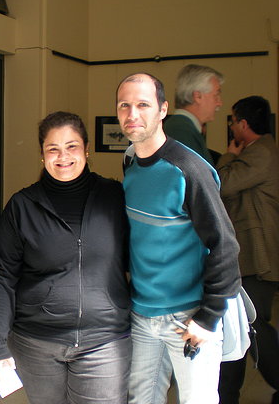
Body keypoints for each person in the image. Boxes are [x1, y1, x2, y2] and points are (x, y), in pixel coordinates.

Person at [0, 111, 131, 404]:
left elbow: (141, 259)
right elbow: (4, 278)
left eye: (72, 146)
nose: (63, 156)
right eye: (53, 149)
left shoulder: (115, 197)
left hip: (104, 341)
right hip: (37, 343)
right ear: (42, 155)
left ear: (86, 149)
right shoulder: (22, 206)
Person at [116, 72, 240, 404]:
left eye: (143, 105)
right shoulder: (130, 161)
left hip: (189, 316)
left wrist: (208, 317)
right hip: (142, 316)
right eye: (124, 106)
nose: (132, 115)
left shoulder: (189, 169)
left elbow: (225, 246)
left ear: (162, 110)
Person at [216, 96, 279, 404]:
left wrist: (227, 156)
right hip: (253, 258)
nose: (231, 127)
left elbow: (221, 183)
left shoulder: (260, 153)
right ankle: (228, 394)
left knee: (253, 326)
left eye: (232, 120)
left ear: (242, 124)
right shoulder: (260, 151)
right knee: (244, 325)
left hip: (260, 259)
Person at [163, 64, 224, 165]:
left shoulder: (183, 128)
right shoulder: (180, 130)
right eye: (216, 95)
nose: (219, 103)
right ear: (197, 96)